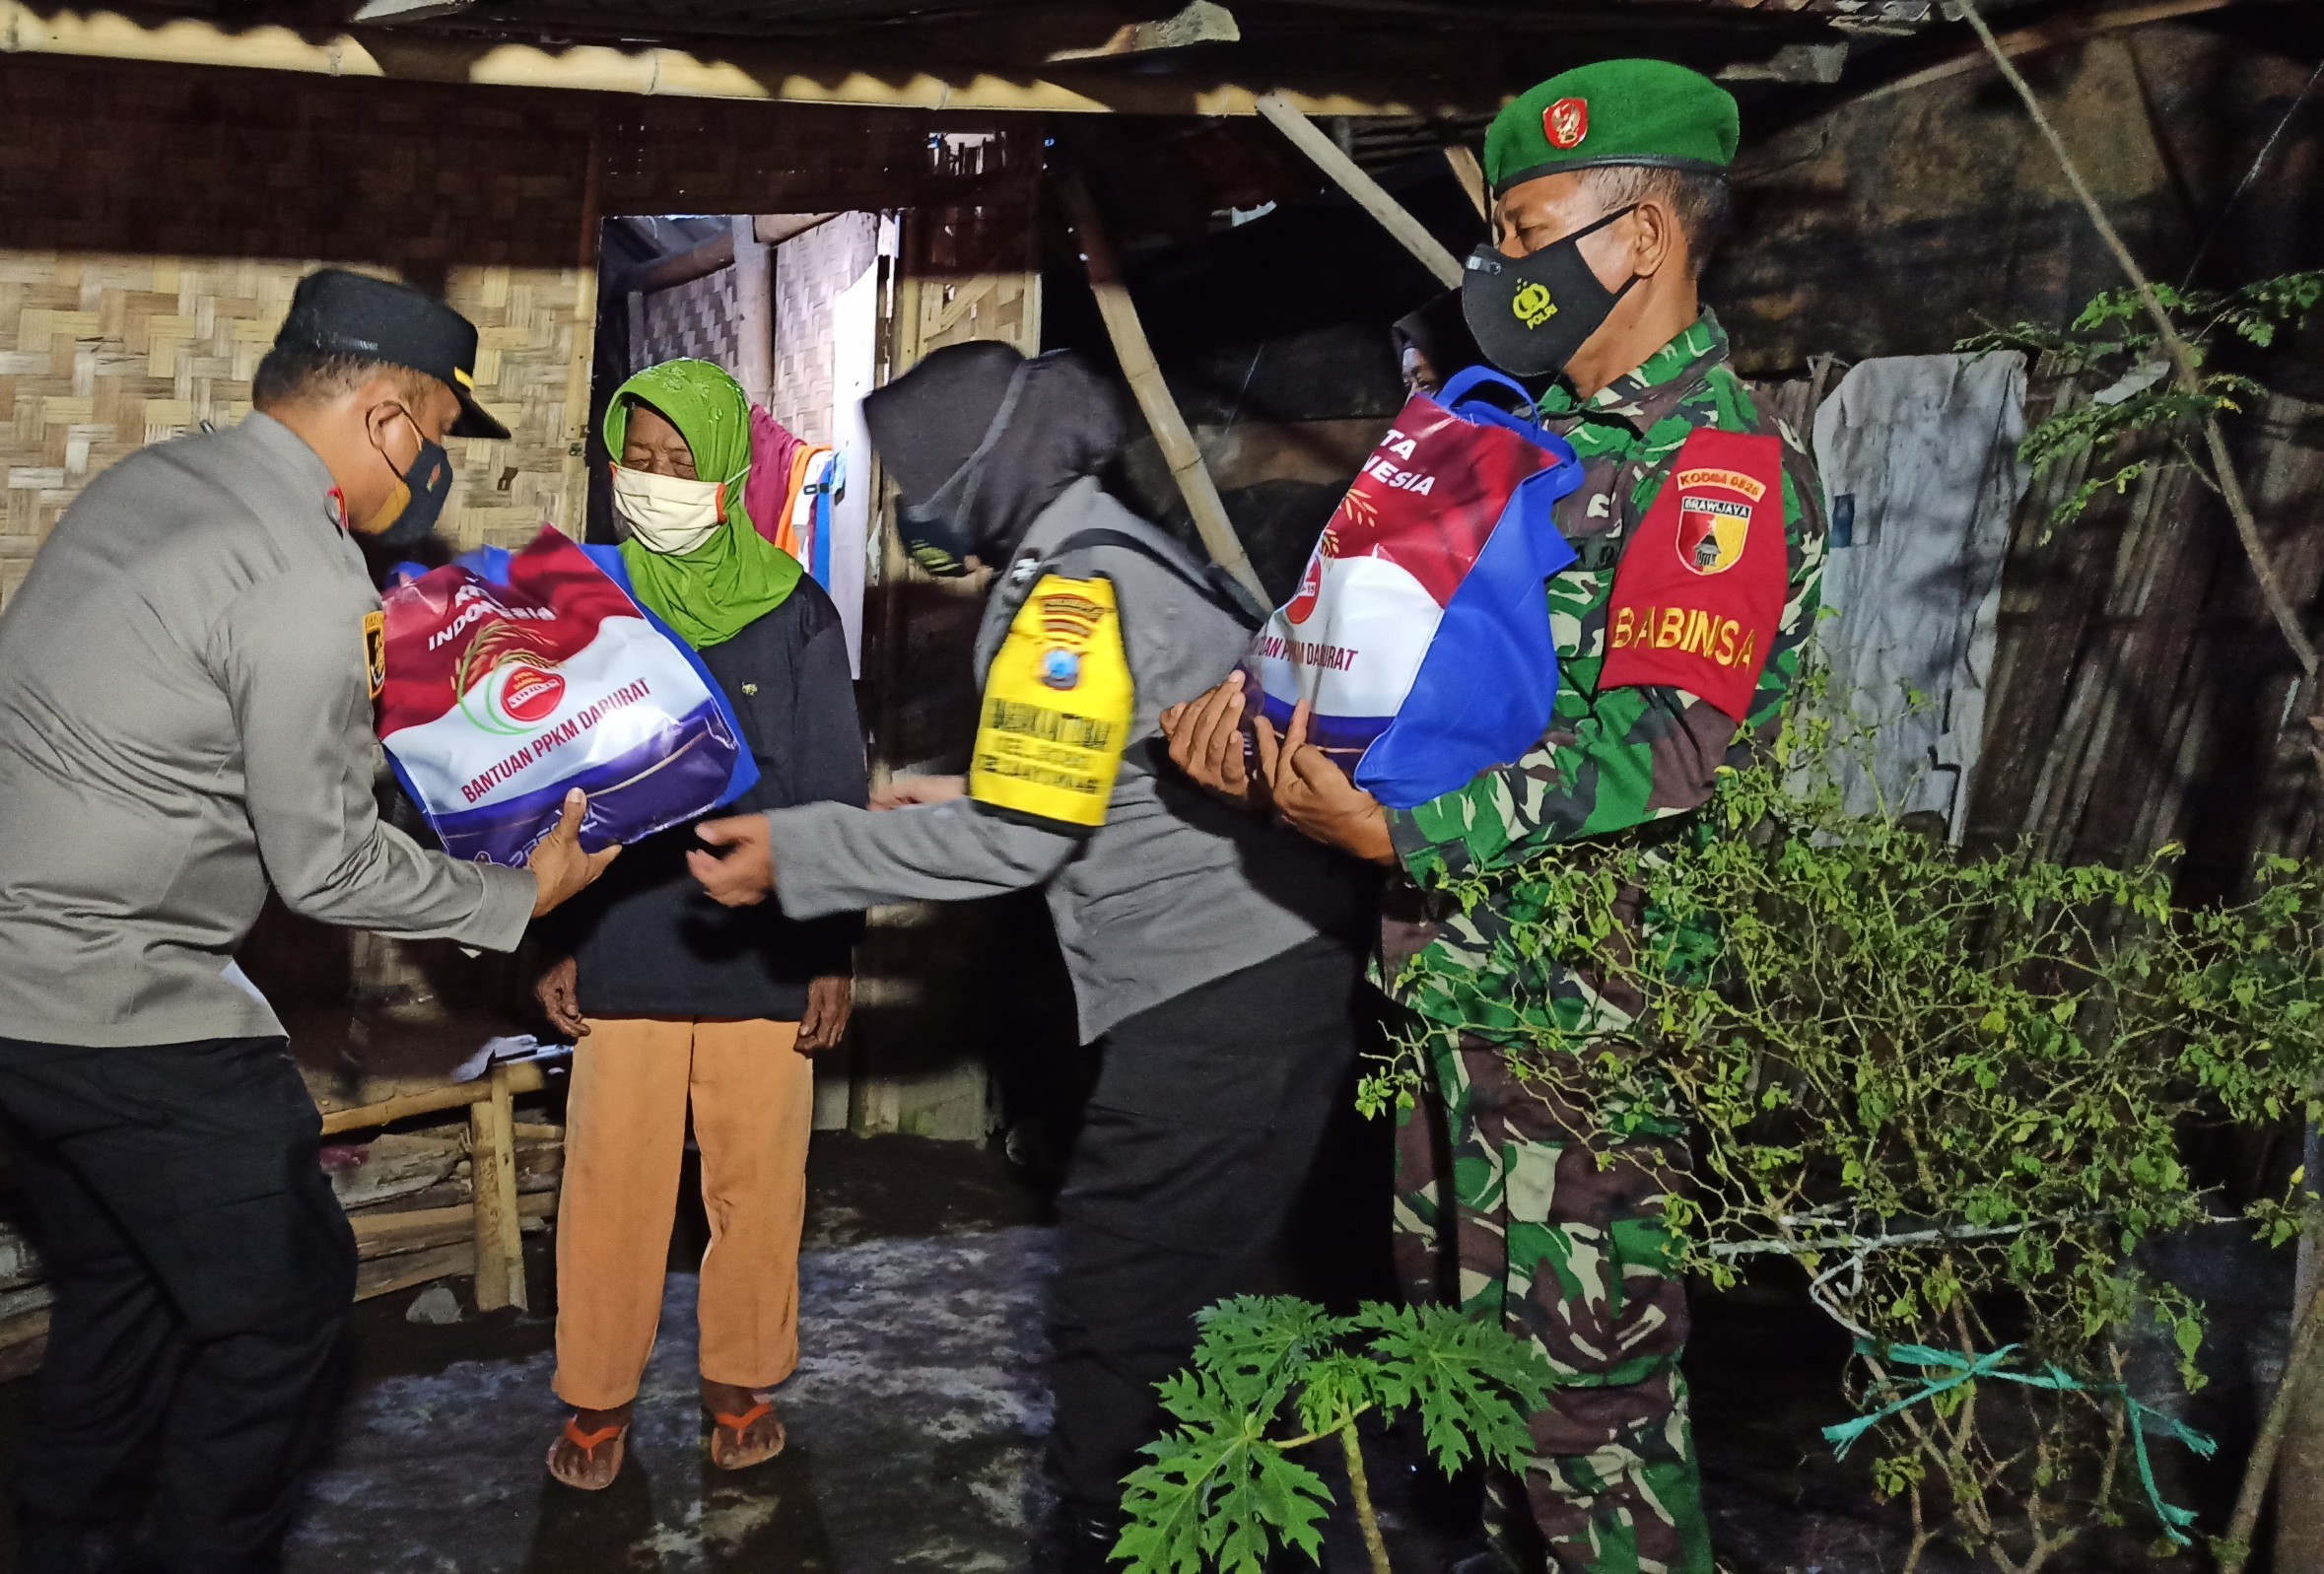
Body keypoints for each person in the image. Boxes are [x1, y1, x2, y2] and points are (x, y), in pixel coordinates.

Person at [1162, 60, 1826, 1574]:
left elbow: (1665, 743)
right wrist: (1258, 728)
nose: (1500, 274)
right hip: (1448, 993)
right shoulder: (1504, 441)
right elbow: (1383, 665)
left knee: (1585, 1426)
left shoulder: (1711, 467)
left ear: (1643, 236)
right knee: (1467, 1396)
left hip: (1585, 1025)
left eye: (1528, 231)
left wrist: (1405, 840)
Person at [0, 269, 618, 1574]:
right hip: (96, 999)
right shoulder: (303, 580)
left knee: (123, 1278)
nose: (428, 470)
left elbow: (205, 719)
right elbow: (323, 867)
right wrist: (520, 896)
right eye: (434, 435)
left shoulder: (158, 483)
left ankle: (66, 1541)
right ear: (387, 418)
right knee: (281, 1310)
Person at [683, 343, 1373, 1561]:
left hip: (1216, 986)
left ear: (986, 470)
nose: (917, 512)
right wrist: (957, 786)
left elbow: (1016, 839)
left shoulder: (1068, 591)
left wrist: (802, 853)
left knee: (1124, 1290)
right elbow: (1101, 763)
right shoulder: (1121, 544)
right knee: (1225, 1282)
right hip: (1275, 959)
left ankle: (1117, 1530)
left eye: (926, 480)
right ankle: (1250, 1528)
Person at [538, 359, 865, 1491]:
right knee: (608, 1188)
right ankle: (595, 1398)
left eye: (685, 463)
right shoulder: (587, 599)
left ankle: (740, 1384)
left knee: (758, 1186)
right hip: (622, 936)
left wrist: (829, 948)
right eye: (644, 458)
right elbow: (548, 788)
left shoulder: (795, 607)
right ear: (616, 460)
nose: (660, 481)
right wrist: (554, 939)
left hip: (763, 948)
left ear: (725, 473)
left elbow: (833, 786)